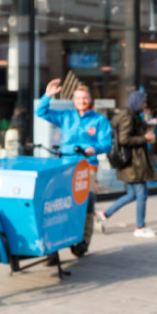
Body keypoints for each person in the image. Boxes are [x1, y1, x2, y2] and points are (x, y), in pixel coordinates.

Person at [37, 79, 112, 256]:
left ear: (90, 99)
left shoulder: (99, 120)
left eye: (85, 98)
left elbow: (107, 143)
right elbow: (40, 111)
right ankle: (56, 241)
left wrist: (96, 148)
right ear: (73, 100)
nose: (81, 101)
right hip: (65, 165)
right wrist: (47, 96)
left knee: (87, 203)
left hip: (87, 166)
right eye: (78, 98)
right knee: (58, 203)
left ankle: (83, 241)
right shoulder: (66, 116)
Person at [97, 91, 157, 238]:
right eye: (143, 102)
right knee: (142, 195)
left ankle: (105, 213)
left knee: (132, 194)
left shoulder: (131, 115)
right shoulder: (128, 116)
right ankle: (140, 227)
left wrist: (147, 125)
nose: (145, 105)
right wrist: (145, 138)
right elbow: (125, 139)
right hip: (134, 163)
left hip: (131, 162)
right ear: (137, 102)